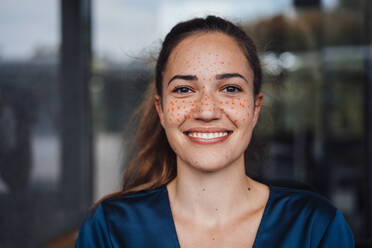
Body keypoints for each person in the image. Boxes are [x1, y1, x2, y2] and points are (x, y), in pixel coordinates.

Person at [76, 16, 354, 247]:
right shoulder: (110, 229)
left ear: (255, 108)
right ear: (161, 110)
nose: (207, 111)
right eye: (184, 89)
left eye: (230, 89)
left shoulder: (316, 228)